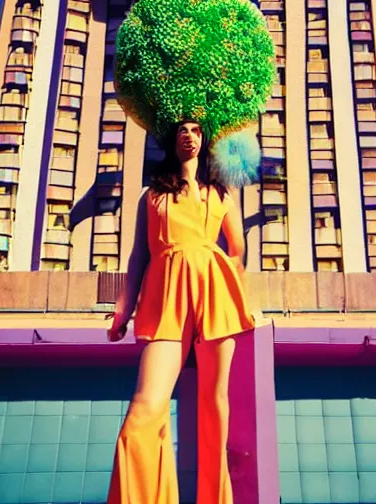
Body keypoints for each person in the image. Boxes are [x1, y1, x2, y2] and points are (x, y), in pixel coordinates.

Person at [106, 120, 255, 504]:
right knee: (143, 412)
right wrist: (123, 310)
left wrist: (229, 284)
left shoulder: (222, 195)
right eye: (181, 131)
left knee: (213, 407)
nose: (189, 135)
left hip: (214, 293)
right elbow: (139, 255)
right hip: (164, 295)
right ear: (172, 142)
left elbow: (237, 249)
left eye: (196, 130)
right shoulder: (152, 195)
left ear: (205, 142)